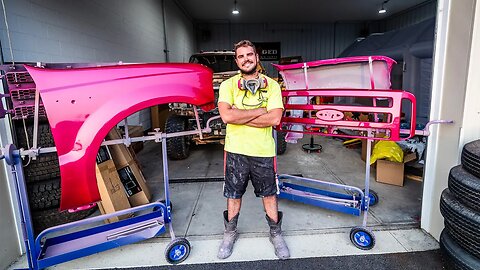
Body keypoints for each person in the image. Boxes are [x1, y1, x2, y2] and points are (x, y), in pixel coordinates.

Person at [217, 40, 290, 260]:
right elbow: (226, 116)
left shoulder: (272, 85)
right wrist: (260, 111)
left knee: (269, 194)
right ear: (236, 60)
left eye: (250, 54)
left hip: (263, 151)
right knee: (233, 194)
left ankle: (276, 235)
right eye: (241, 56)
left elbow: (275, 118)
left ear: (257, 57)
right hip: (235, 151)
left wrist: (240, 116)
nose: (246, 59)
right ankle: (229, 234)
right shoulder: (227, 85)